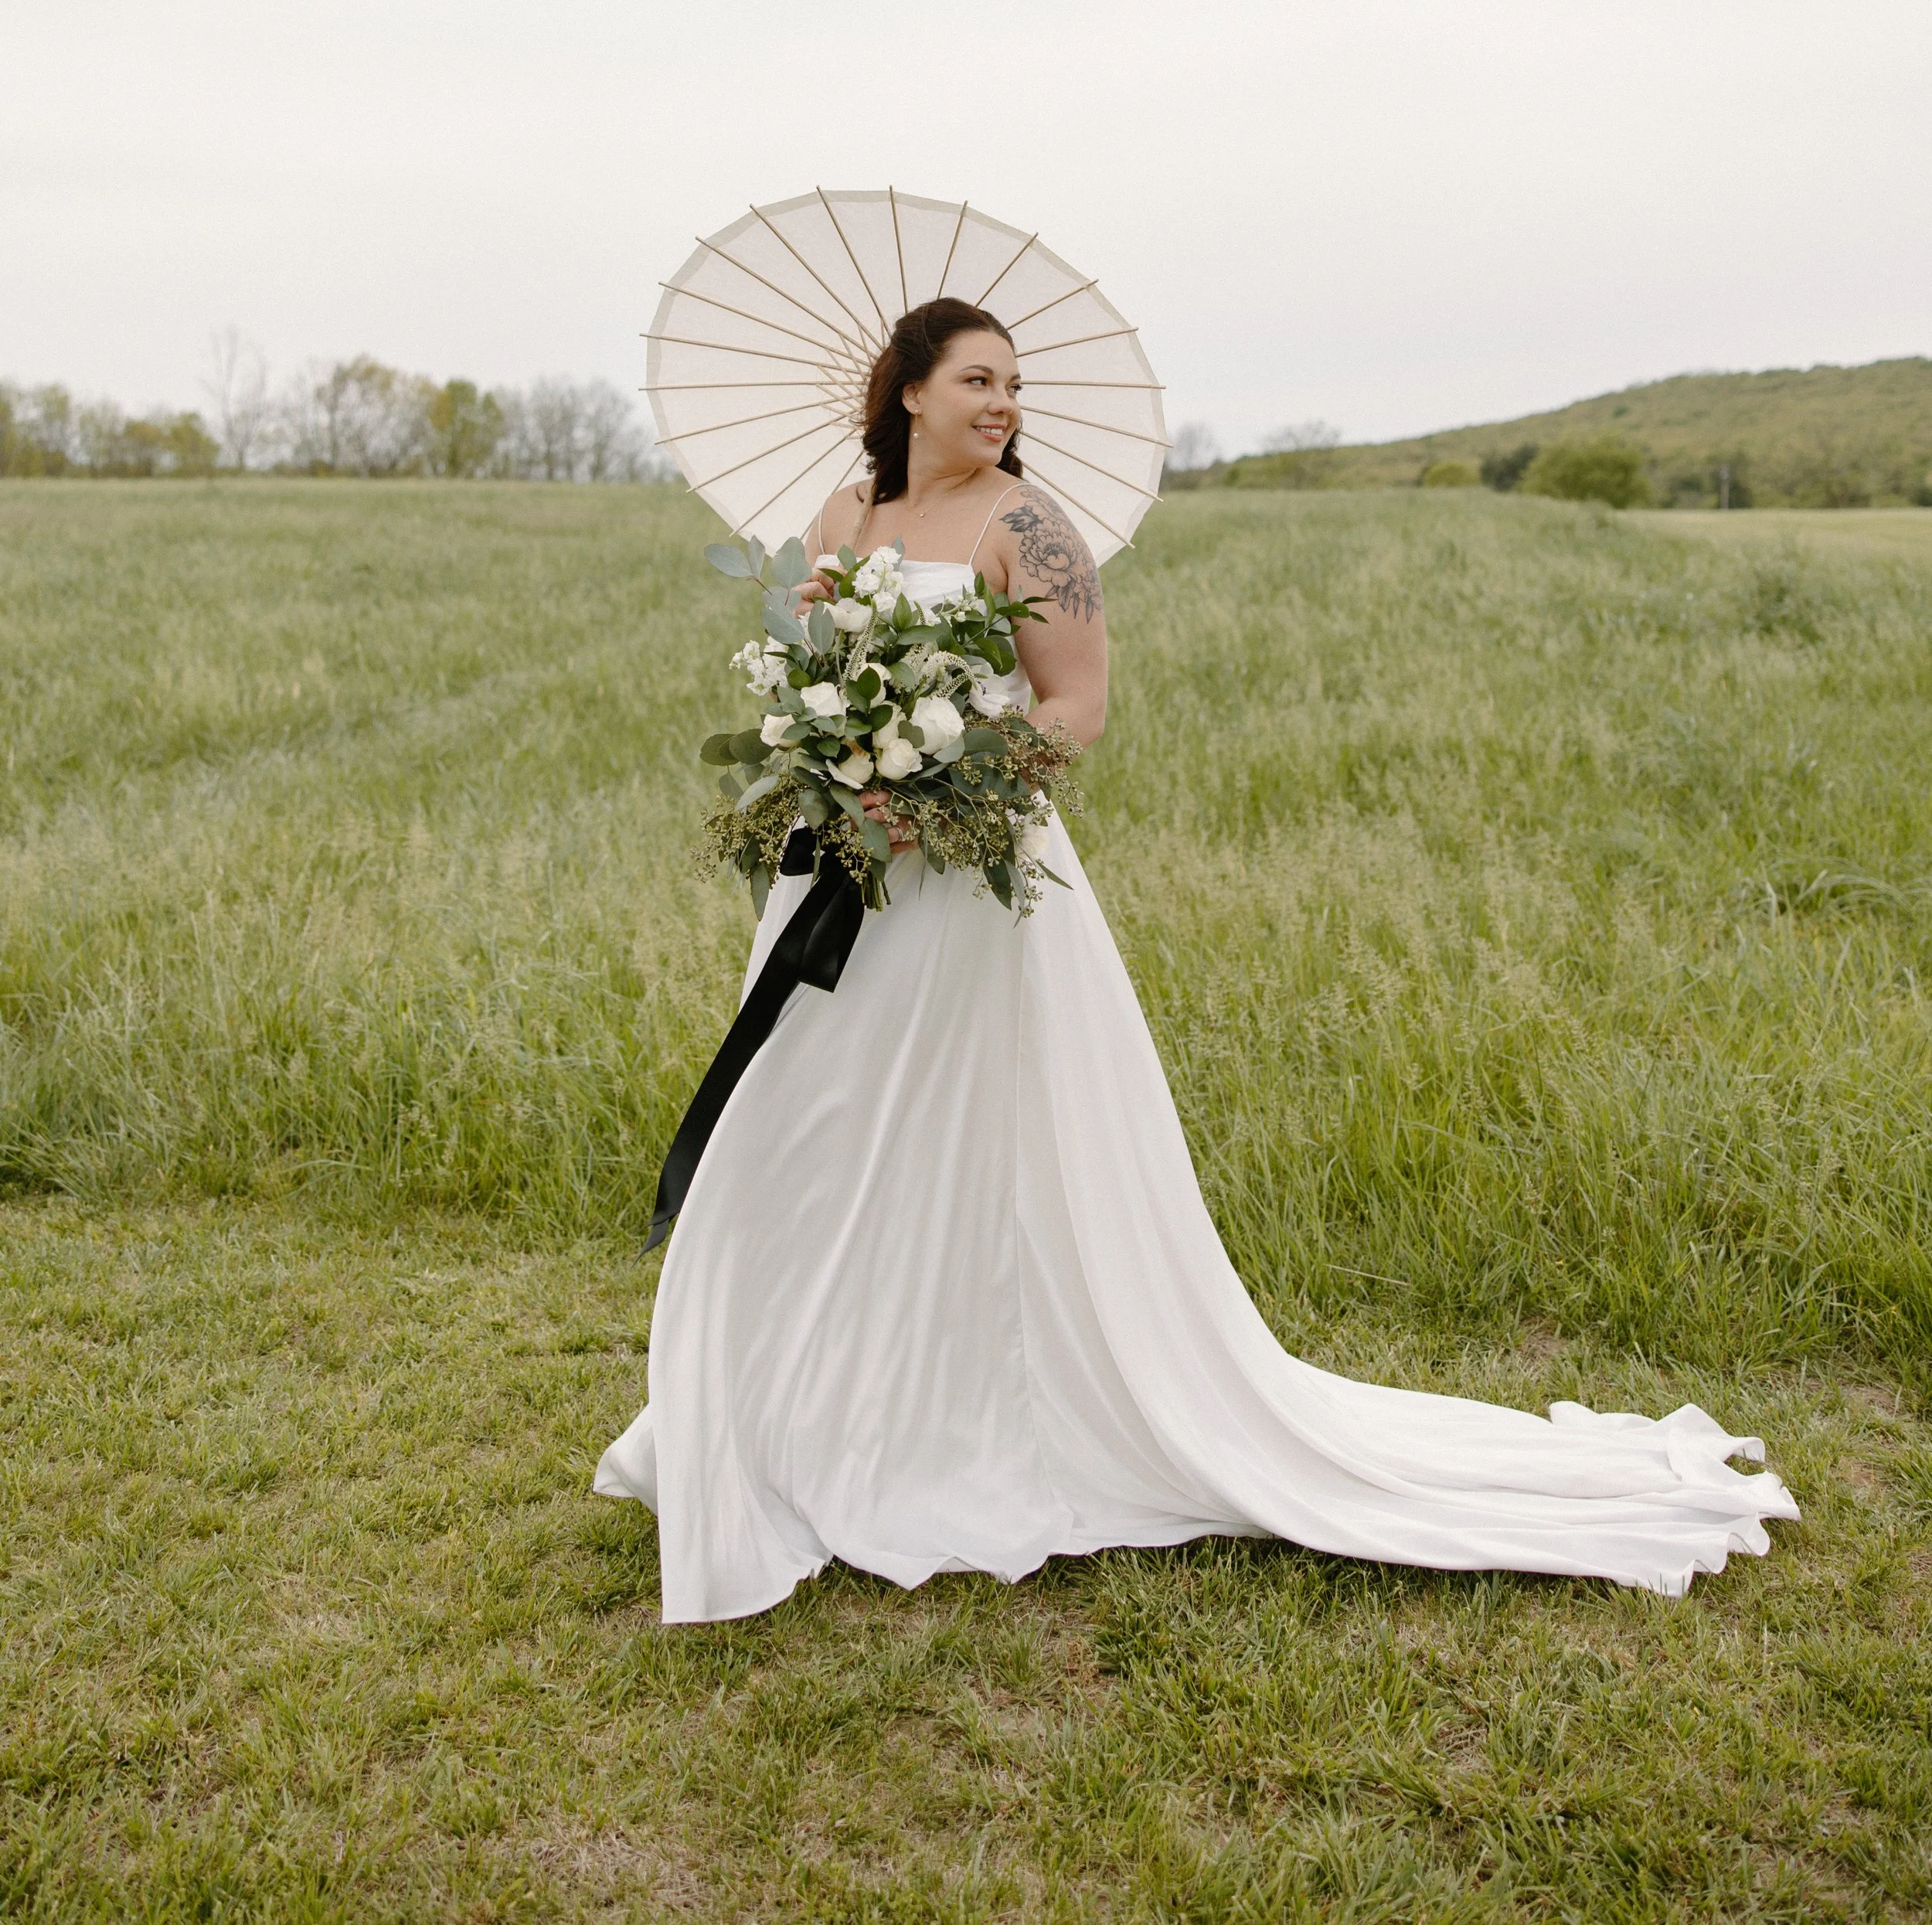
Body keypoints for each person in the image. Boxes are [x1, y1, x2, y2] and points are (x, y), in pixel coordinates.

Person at [596, 297, 1795, 1624]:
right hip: (838, 878)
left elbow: (1078, 707)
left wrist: (933, 785)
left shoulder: (1029, 524)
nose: (1002, 401)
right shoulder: (843, 517)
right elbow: (811, 672)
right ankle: (789, 1416)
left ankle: (956, 1421)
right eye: (978, 378)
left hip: (970, 883)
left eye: (1012, 381)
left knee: (955, 1135)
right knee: (803, 1127)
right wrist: (828, 749)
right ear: (911, 389)